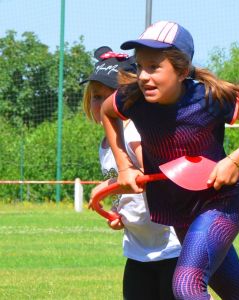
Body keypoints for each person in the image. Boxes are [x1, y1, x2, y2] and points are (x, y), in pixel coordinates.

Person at [101, 21, 239, 299]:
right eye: (139, 66)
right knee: (235, 290)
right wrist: (123, 165)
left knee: (187, 286)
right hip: (179, 210)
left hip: (218, 205)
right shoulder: (132, 99)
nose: (144, 76)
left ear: (182, 70)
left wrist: (235, 160)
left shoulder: (209, 98)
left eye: (154, 67)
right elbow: (106, 111)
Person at [82, 46, 181, 300]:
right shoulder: (106, 144)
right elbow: (128, 189)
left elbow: (154, 176)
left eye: (108, 95)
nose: (101, 103)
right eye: (95, 96)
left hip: (171, 246)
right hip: (138, 249)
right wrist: (119, 212)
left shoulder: (134, 131)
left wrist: (109, 185)